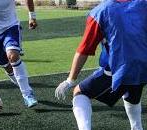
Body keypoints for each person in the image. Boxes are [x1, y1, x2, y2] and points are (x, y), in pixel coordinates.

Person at [55, 0, 147, 129]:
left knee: (80, 92)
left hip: (121, 68)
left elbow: (84, 50)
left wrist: (70, 80)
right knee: (131, 93)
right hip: (144, 67)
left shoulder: (100, 11)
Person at [0, 0, 38, 107]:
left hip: (10, 26)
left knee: (13, 56)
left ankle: (27, 94)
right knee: (7, 67)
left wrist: (32, 16)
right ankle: (22, 86)